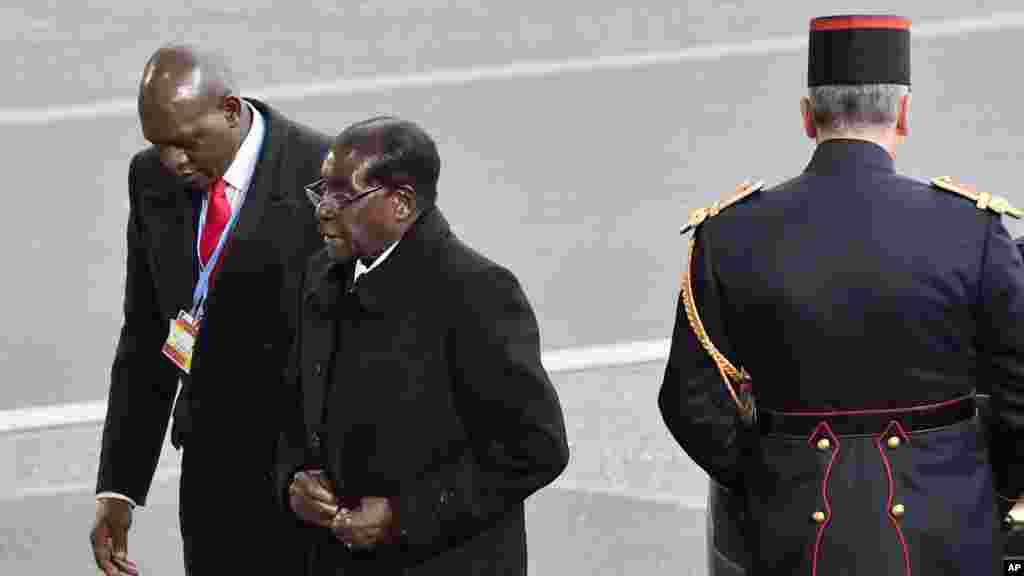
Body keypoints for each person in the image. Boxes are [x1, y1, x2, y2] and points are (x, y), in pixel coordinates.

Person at [659, 15, 1024, 575]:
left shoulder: (728, 236)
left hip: (792, 532)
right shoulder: (973, 231)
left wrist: (767, 477)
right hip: (949, 531)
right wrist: (983, 488)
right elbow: (1019, 391)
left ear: (808, 118)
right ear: (904, 113)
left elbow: (690, 403)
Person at [274, 116, 570, 574]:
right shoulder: (321, 275)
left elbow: (535, 448)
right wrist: (294, 480)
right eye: (322, 190)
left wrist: (402, 516)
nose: (323, 209)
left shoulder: (476, 293)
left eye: (342, 195)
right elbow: (296, 406)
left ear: (401, 204)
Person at [89, 44, 329, 575]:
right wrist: (119, 487)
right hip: (212, 480)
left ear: (229, 109)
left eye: (186, 142)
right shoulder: (150, 179)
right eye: (159, 144)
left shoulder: (324, 176)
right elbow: (147, 334)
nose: (173, 160)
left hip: (309, 483)